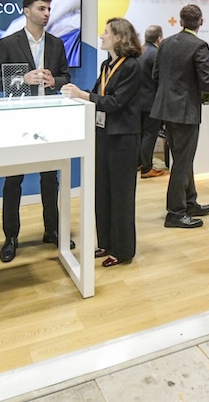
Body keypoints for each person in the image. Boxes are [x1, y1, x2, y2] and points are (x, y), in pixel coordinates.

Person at [0, 0, 72, 262]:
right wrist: (21, 79)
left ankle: (52, 230)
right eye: (41, 8)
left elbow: (65, 77)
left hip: (49, 118)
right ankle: (11, 237)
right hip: (19, 118)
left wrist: (54, 82)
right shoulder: (8, 43)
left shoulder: (56, 44)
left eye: (48, 9)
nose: (46, 13)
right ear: (26, 11)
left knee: (50, 178)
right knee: (13, 179)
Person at [62, 18, 142, 267]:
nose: (101, 36)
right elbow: (100, 94)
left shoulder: (132, 66)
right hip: (103, 135)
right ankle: (106, 242)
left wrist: (83, 95)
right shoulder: (107, 65)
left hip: (123, 138)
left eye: (106, 32)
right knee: (103, 192)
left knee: (121, 196)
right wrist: (80, 94)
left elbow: (116, 102)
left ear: (119, 37)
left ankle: (123, 250)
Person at [151, 4, 209, 228]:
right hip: (185, 111)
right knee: (182, 161)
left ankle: (190, 202)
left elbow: (155, 75)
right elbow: (206, 83)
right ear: (201, 22)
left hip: (166, 109)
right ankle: (175, 212)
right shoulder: (199, 45)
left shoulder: (165, 43)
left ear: (180, 21)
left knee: (182, 158)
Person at [138, 25, 165, 179]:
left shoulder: (139, 52)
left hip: (138, 101)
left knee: (141, 134)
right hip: (152, 102)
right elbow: (159, 77)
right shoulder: (156, 54)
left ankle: (139, 163)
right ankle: (147, 168)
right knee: (150, 135)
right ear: (159, 38)